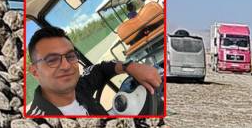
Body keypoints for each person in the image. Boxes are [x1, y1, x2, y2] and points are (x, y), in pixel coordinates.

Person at [27, 26, 161, 116]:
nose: (66, 66)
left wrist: (130, 66)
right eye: (52, 60)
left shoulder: (78, 87)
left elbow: (100, 69)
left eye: (70, 56)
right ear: (35, 72)